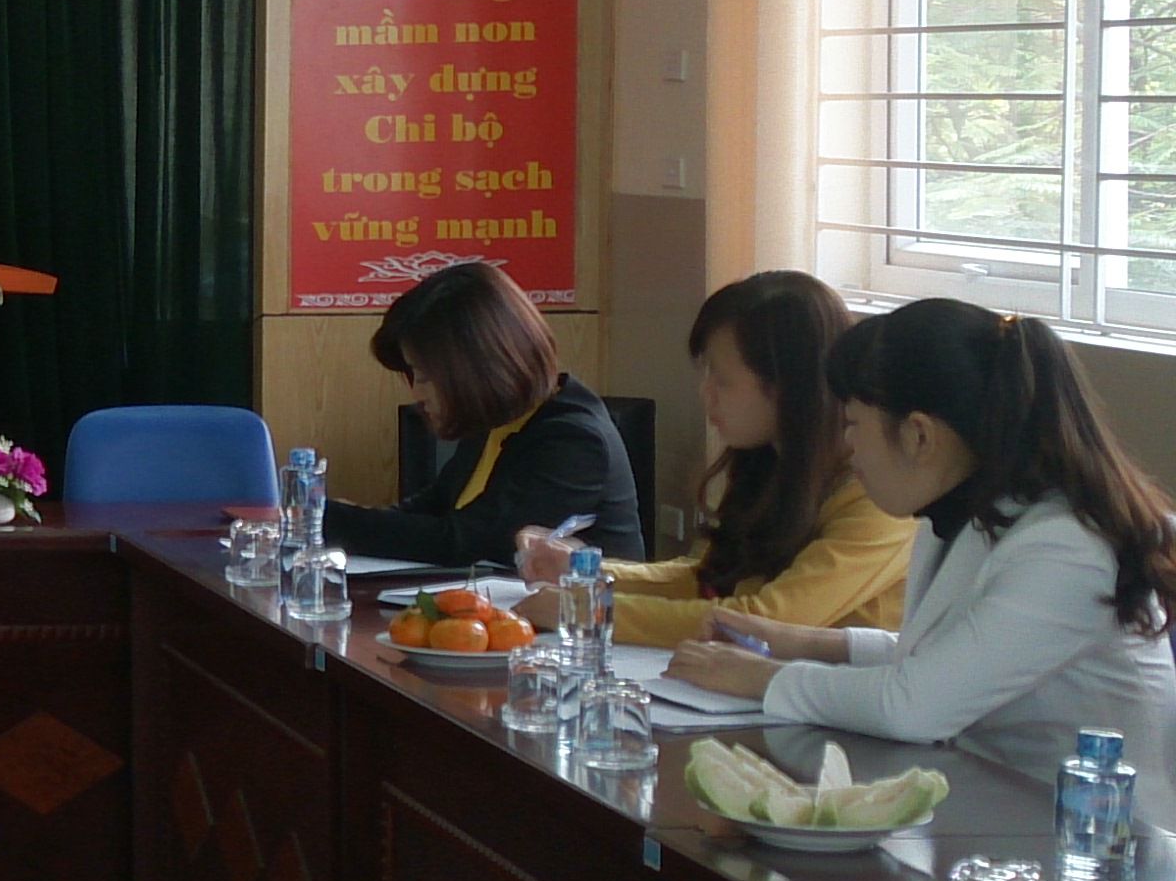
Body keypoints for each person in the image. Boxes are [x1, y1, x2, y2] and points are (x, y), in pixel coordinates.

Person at [672, 300, 1176, 749]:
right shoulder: (970, 514)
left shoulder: (1065, 548)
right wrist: (804, 642)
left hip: (1089, 817)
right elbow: (940, 658)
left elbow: (914, 704)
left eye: (853, 425)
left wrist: (762, 677)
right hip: (999, 799)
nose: (847, 446)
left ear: (919, 435)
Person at [513, 271, 908, 647]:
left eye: (722, 380)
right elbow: (709, 578)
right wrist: (586, 570)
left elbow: (766, 620)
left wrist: (589, 609)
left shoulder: (880, 496)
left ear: (787, 387)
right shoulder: (768, 462)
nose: (706, 393)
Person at [329, 260, 646, 568]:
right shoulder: (500, 421)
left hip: (579, 606)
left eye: (424, 376)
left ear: (476, 368)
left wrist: (328, 518)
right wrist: (341, 517)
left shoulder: (574, 440)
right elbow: (431, 509)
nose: (417, 393)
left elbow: (464, 543)